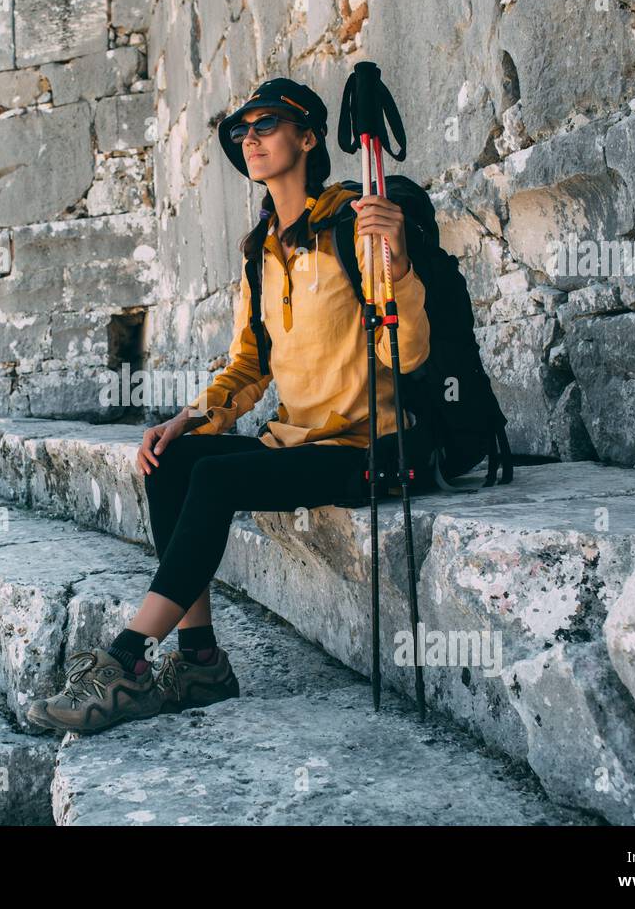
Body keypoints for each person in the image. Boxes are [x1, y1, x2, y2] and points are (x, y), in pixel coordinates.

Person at [25, 77, 432, 734]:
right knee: (175, 458)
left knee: (214, 476)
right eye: (241, 131)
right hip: (291, 444)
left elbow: (405, 356)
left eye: (266, 124)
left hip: (362, 447)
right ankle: (200, 661)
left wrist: (400, 264)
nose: (250, 139)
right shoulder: (260, 253)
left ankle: (127, 660)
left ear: (307, 137)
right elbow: (249, 365)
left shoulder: (355, 226)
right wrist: (189, 417)